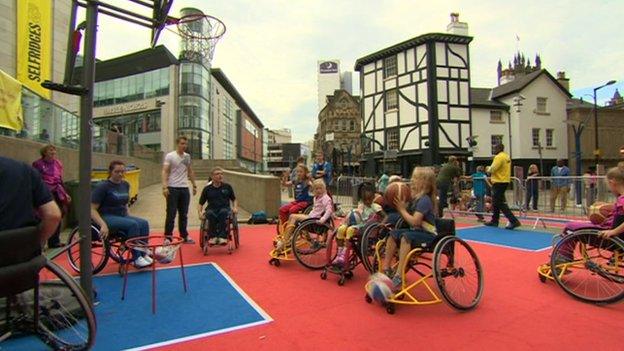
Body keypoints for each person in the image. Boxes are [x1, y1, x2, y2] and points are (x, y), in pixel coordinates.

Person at [382, 167, 438, 288]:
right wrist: (400, 205)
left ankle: (399, 274)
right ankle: (386, 269)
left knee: (405, 237)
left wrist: (402, 209)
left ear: (424, 183)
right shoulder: (415, 198)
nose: (411, 180)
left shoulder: (424, 200)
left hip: (428, 235)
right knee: (393, 234)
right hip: (416, 233)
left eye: (415, 178)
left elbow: (415, 222)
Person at [91, 160, 152, 268]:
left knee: (144, 223)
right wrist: (102, 224)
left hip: (121, 215)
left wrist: (129, 216)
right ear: (110, 172)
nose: (120, 174)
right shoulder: (103, 187)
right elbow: (92, 209)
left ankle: (143, 253)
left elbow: (125, 204)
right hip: (107, 216)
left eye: (122, 171)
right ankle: (136, 258)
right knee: (133, 225)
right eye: (117, 171)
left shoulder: (125, 185)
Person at [0, 156, 61, 242]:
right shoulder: (25, 168)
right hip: (25, 246)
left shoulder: (56, 163)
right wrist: (36, 243)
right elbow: (53, 215)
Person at [276, 179, 333, 253]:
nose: (318, 190)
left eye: (320, 188)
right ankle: (287, 238)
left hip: (315, 219)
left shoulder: (325, 198)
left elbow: (329, 210)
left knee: (293, 216)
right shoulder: (317, 197)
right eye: (316, 189)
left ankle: (284, 241)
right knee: (292, 217)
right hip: (312, 216)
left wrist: (323, 219)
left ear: (324, 188)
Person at [332, 182, 382, 267]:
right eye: (365, 199)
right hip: (356, 224)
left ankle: (344, 254)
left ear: (373, 197)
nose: (367, 201)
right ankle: (339, 253)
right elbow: (355, 214)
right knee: (341, 229)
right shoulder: (361, 205)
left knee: (350, 231)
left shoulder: (375, 207)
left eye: (369, 199)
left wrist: (381, 224)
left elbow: (385, 216)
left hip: (364, 227)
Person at [32, 145, 71, 248]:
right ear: (44, 152)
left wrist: (65, 193)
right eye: (50, 150)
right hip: (45, 191)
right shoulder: (38, 164)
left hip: (57, 190)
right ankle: (41, 241)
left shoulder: (58, 163)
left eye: (54, 150)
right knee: (47, 214)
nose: (53, 152)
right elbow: (36, 179)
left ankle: (54, 241)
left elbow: (60, 178)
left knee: (60, 213)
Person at [162, 136, 197, 244]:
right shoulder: (170, 156)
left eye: (185, 144)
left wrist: (194, 184)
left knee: (184, 214)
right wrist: (165, 187)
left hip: (184, 188)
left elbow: (190, 171)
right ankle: (168, 237)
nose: (184, 146)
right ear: (177, 144)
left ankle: (184, 235)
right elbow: (165, 171)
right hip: (172, 188)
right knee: (171, 214)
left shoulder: (187, 156)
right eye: (182, 144)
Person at [197, 167, 238, 245]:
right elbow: (200, 203)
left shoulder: (227, 187)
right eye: (217, 174)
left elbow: (234, 199)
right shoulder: (207, 189)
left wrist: (235, 207)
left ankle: (222, 237)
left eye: (221, 174)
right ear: (212, 176)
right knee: (209, 214)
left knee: (223, 212)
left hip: (224, 208)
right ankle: (213, 237)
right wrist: (199, 213)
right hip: (212, 209)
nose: (220, 176)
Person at [484, 144, 521, 230]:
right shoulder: (507, 157)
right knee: (496, 202)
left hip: (498, 181)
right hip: (505, 180)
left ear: (500, 148)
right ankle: (494, 220)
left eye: (495, 148)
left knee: (499, 202)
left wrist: (487, 168)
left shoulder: (498, 157)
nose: (493, 150)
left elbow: (493, 169)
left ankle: (513, 221)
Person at [278, 164, 312, 233]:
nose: (299, 173)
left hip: (305, 202)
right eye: (298, 172)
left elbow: (314, 186)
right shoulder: (296, 180)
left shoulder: (307, 181)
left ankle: (292, 228)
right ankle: (286, 227)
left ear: (305, 173)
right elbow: (285, 184)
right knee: (282, 209)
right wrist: (285, 177)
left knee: (292, 210)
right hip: (297, 201)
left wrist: (311, 178)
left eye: (301, 172)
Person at [599, 166, 624, 239]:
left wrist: (614, 232)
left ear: (612, 182)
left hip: (614, 235)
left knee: (571, 226)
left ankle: (564, 250)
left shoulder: (622, 199)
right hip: (614, 230)